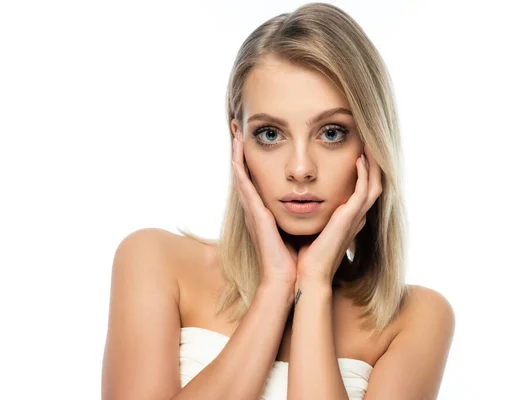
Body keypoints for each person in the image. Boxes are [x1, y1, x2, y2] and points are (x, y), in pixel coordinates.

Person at [101, 3, 455, 399]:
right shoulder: (155, 261)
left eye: (332, 133)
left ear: (372, 145)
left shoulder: (416, 319)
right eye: (270, 134)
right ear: (238, 141)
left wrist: (315, 285)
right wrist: (275, 287)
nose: (301, 169)